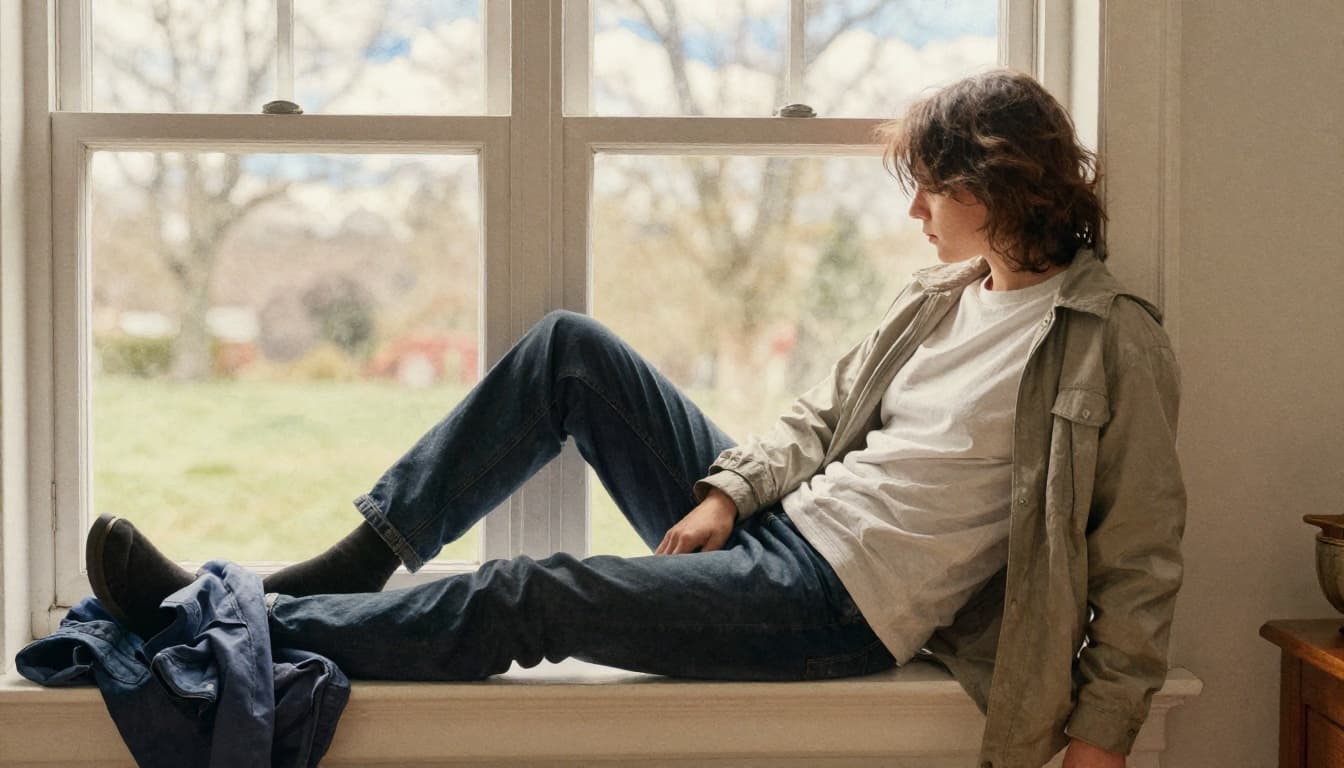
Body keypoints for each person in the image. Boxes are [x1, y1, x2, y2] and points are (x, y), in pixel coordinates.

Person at [84, 68, 1184, 768]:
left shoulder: (1107, 337)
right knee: (571, 349)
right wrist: (723, 491)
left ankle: (209, 624)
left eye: (931, 188)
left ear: (999, 182)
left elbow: (1139, 560)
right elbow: (818, 416)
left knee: (536, 594)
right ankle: (348, 567)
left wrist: (1100, 739)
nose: (913, 213)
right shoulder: (939, 295)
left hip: (836, 605)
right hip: (785, 526)